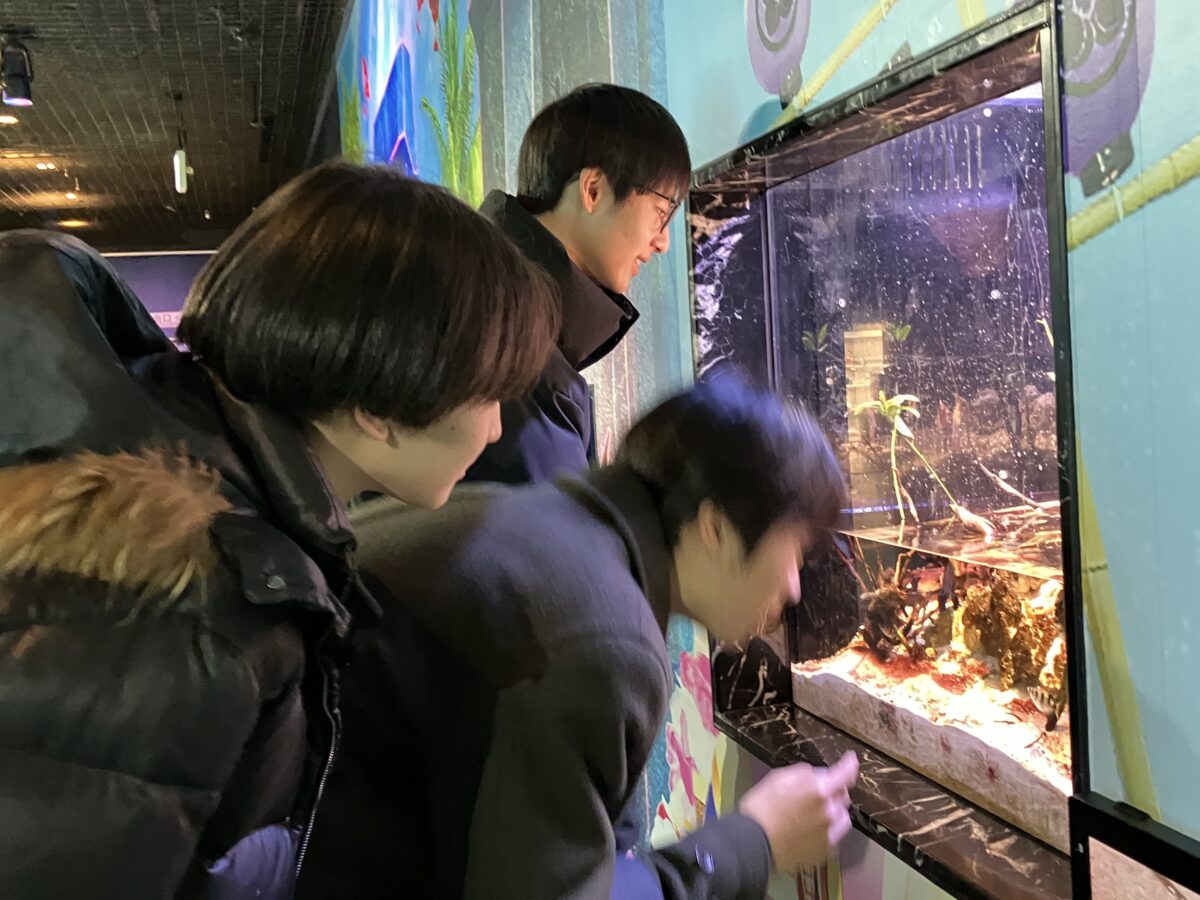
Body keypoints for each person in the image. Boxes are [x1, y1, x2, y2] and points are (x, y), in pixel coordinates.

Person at [0, 162, 559, 898]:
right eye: (485, 395)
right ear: (378, 406)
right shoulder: (191, 602)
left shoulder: (175, 464)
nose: (495, 430)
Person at [298, 376, 860, 899]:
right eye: (796, 550)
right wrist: (753, 842)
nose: (793, 588)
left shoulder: (554, 529)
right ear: (715, 528)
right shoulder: (600, 636)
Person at [469, 82, 691, 484]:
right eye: (661, 213)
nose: (662, 242)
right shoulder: (520, 352)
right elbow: (545, 520)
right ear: (593, 190)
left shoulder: (488, 288)